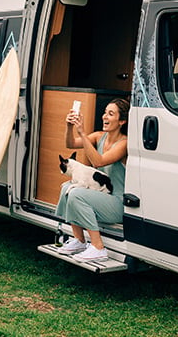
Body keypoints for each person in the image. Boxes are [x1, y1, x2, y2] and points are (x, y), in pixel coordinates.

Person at [55, 98, 129, 263]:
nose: (104, 117)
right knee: (66, 187)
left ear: (122, 121)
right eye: (105, 112)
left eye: (111, 114)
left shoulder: (124, 144)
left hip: (117, 203)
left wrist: (82, 132)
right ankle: (79, 240)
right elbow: (70, 143)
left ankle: (98, 248)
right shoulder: (98, 136)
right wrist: (70, 126)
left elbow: (98, 161)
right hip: (101, 194)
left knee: (77, 194)